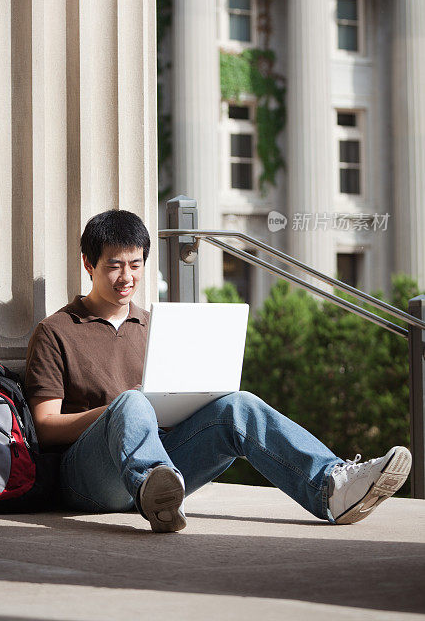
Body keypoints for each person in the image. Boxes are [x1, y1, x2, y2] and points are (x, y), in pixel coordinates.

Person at [25, 209, 412, 533]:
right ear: (88, 264)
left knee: (237, 405)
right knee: (130, 403)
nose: (127, 277)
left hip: (166, 472)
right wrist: (120, 412)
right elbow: (45, 426)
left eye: (136, 264)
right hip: (91, 479)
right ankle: (150, 484)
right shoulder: (56, 331)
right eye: (114, 266)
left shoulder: (156, 326)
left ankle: (331, 486)